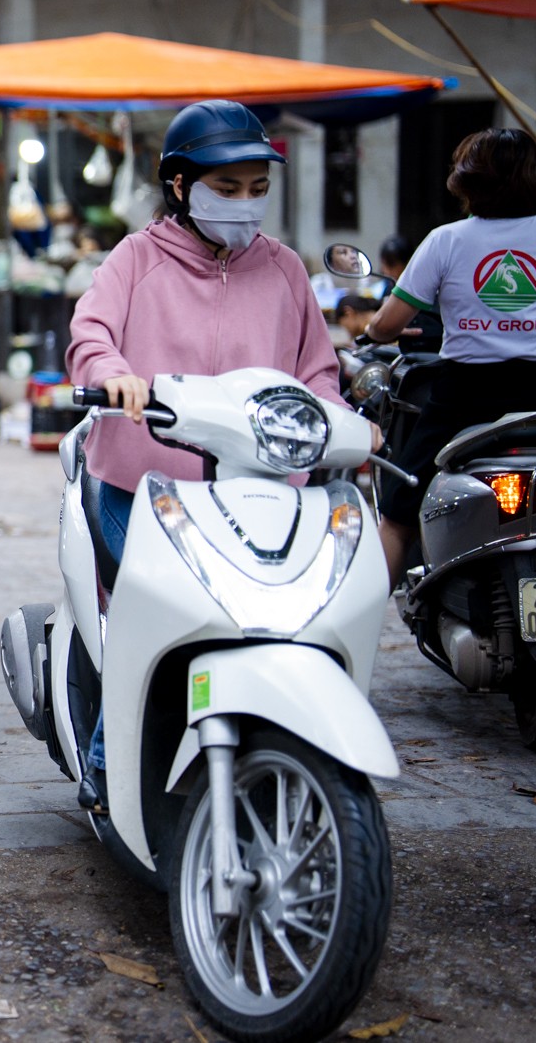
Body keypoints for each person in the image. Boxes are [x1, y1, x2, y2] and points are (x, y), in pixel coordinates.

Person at [66, 99, 361, 815]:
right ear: (179, 186)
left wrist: (343, 421)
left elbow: (319, 373)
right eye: (226, 188)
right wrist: (113, 372)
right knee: (152, 603)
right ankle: (108, 766)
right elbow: (90, 331)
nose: (245, 204)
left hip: (262, 488)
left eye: (257, 188)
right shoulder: (135, 258)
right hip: (142, 482)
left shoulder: (287, 269)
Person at [362, 128, 536, 580]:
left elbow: (386, 323)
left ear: (468, 181)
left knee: (399, 511)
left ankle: (359, 636)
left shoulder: (445, 241)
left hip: (463, 397)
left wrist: (373, 330)